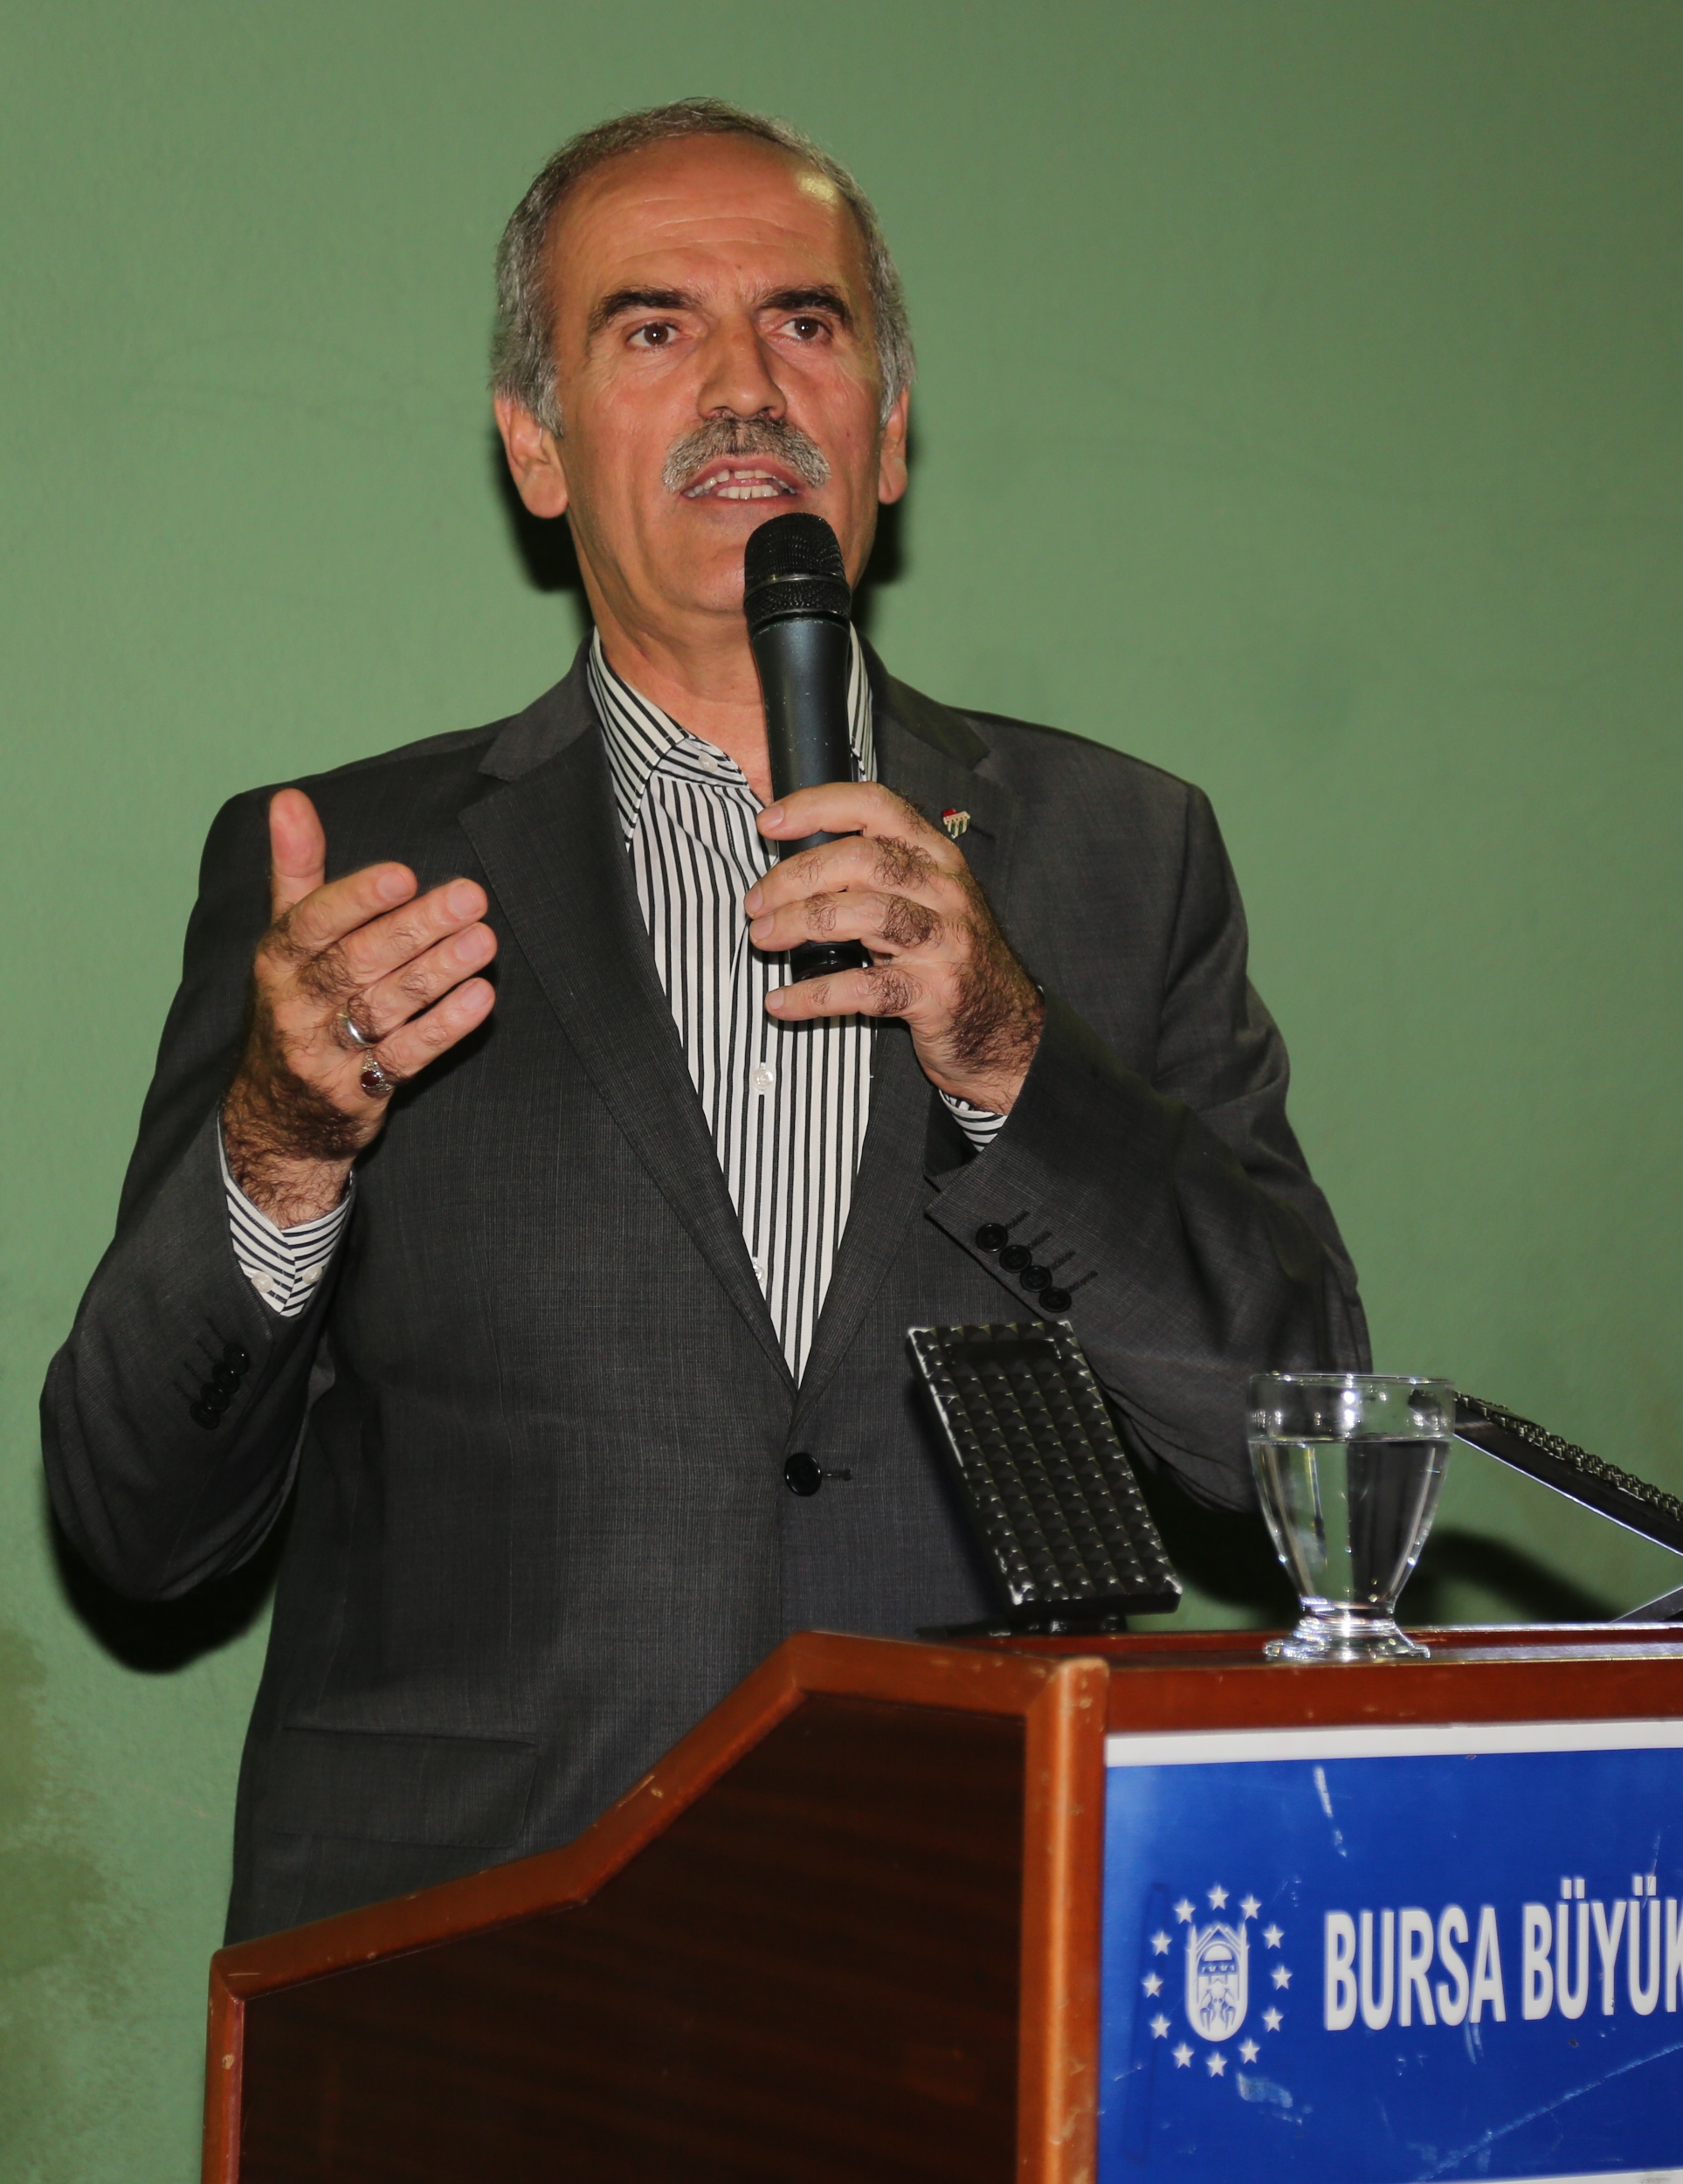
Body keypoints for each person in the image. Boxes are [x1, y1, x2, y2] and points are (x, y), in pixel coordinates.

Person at [42, 100, 1366, 1942]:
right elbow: (134, 1517)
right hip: (476, 1960)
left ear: (887, 429)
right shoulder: (347, 875)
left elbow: (1296, 1453)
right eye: (654, 328)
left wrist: (1010, 1054)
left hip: (964, 1937)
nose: (746, 386)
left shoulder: (1121, 856)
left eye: (806, 324)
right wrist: (278, 1154)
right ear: (536, 445)